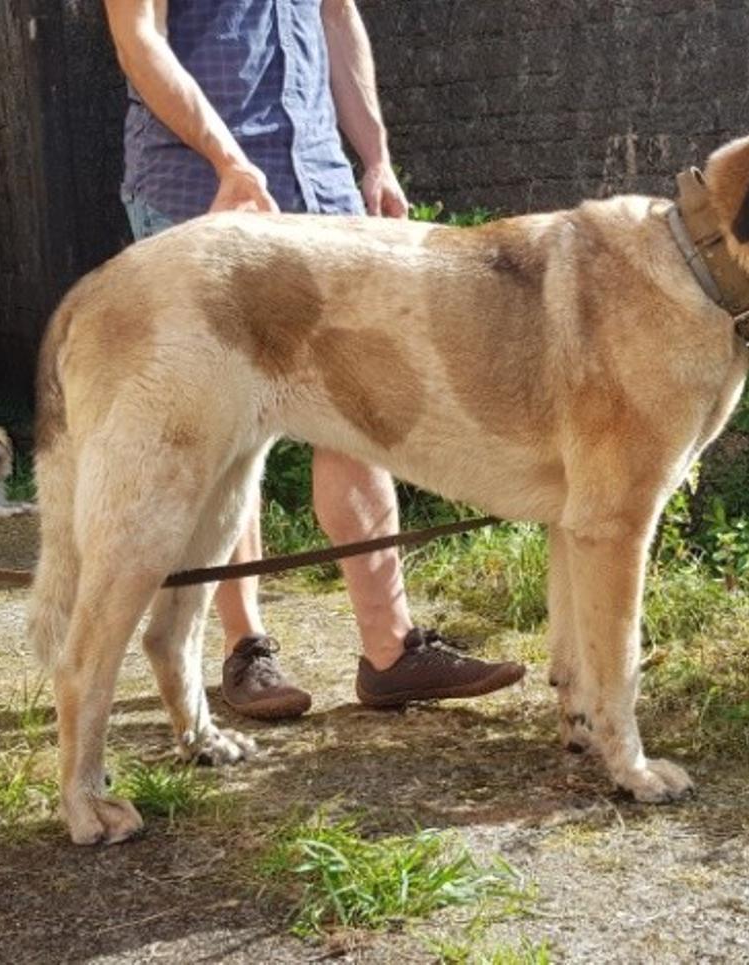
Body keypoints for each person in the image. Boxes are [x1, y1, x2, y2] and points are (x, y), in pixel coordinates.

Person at [103, 0, 525, 719]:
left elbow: (336, 16)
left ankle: (392, 651)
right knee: (229, 426)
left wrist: (376, 157)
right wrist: (227, 160)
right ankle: (246, 647)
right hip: (200, 191)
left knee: (362, 405)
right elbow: (138, 37)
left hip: (318, 182)